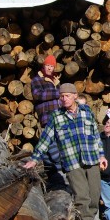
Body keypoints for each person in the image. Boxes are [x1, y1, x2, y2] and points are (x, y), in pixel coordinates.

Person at [24, 83, 107, 220]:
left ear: (75, 96)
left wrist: (101, 156)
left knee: (95, 194)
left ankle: (90, 219)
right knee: (82, 196)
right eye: (61, 96)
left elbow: (95, 136)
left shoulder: (87, 112)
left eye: (67, 96)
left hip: (91, 158)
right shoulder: (56, 117)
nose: (64, 99)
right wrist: (35, 159)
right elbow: (46, 139)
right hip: (72, 162)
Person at [31, 55, 63, 184]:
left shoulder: (55, 80)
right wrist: (57, 92)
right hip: (47, 117)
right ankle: (55, 173)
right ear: (43, 66)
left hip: (59, 117)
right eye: (48, 65)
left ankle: (57, 174)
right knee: (51, 145)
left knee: (57, 146)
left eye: (52, 66)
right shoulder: (37, 80)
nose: (50, 68)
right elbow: (38, 95)